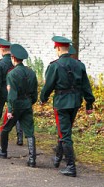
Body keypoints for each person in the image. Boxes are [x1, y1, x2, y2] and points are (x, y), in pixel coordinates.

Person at [39, 36, 95, 177]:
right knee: (64, 130)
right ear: (68, 49)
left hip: (62, 103)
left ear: (58, 48)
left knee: (64, 133)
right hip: (75, 102)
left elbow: (48, 85)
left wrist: (43, 98)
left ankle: (70, 166)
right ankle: (58, 157)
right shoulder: (79, 65)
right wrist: (89, 102)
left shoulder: (55, 66)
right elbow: (86, 86)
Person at [0, 44, 38, 167]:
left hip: (16, 105)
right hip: (27, 104)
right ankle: (32, 159)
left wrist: (10, 110)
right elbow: (34, 92)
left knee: (5, 128)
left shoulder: (12, 74)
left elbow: (12, 94)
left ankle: (3, 151)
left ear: (13, 58)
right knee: (29, 132)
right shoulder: (31, 72)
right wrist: (30, 102)